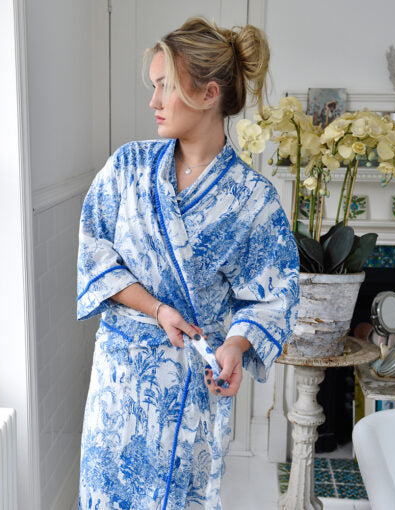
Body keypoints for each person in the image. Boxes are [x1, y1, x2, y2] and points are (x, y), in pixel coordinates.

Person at [76, 17, 299, 510]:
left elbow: (272, 297)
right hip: (118, 383)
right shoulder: (128, 167)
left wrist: (236, 346)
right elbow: (95, 252)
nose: (153, 101)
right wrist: (157, 309)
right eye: (153, 87)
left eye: (165, 87)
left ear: (208, 94)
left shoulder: (253, 199)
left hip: (189, 388)